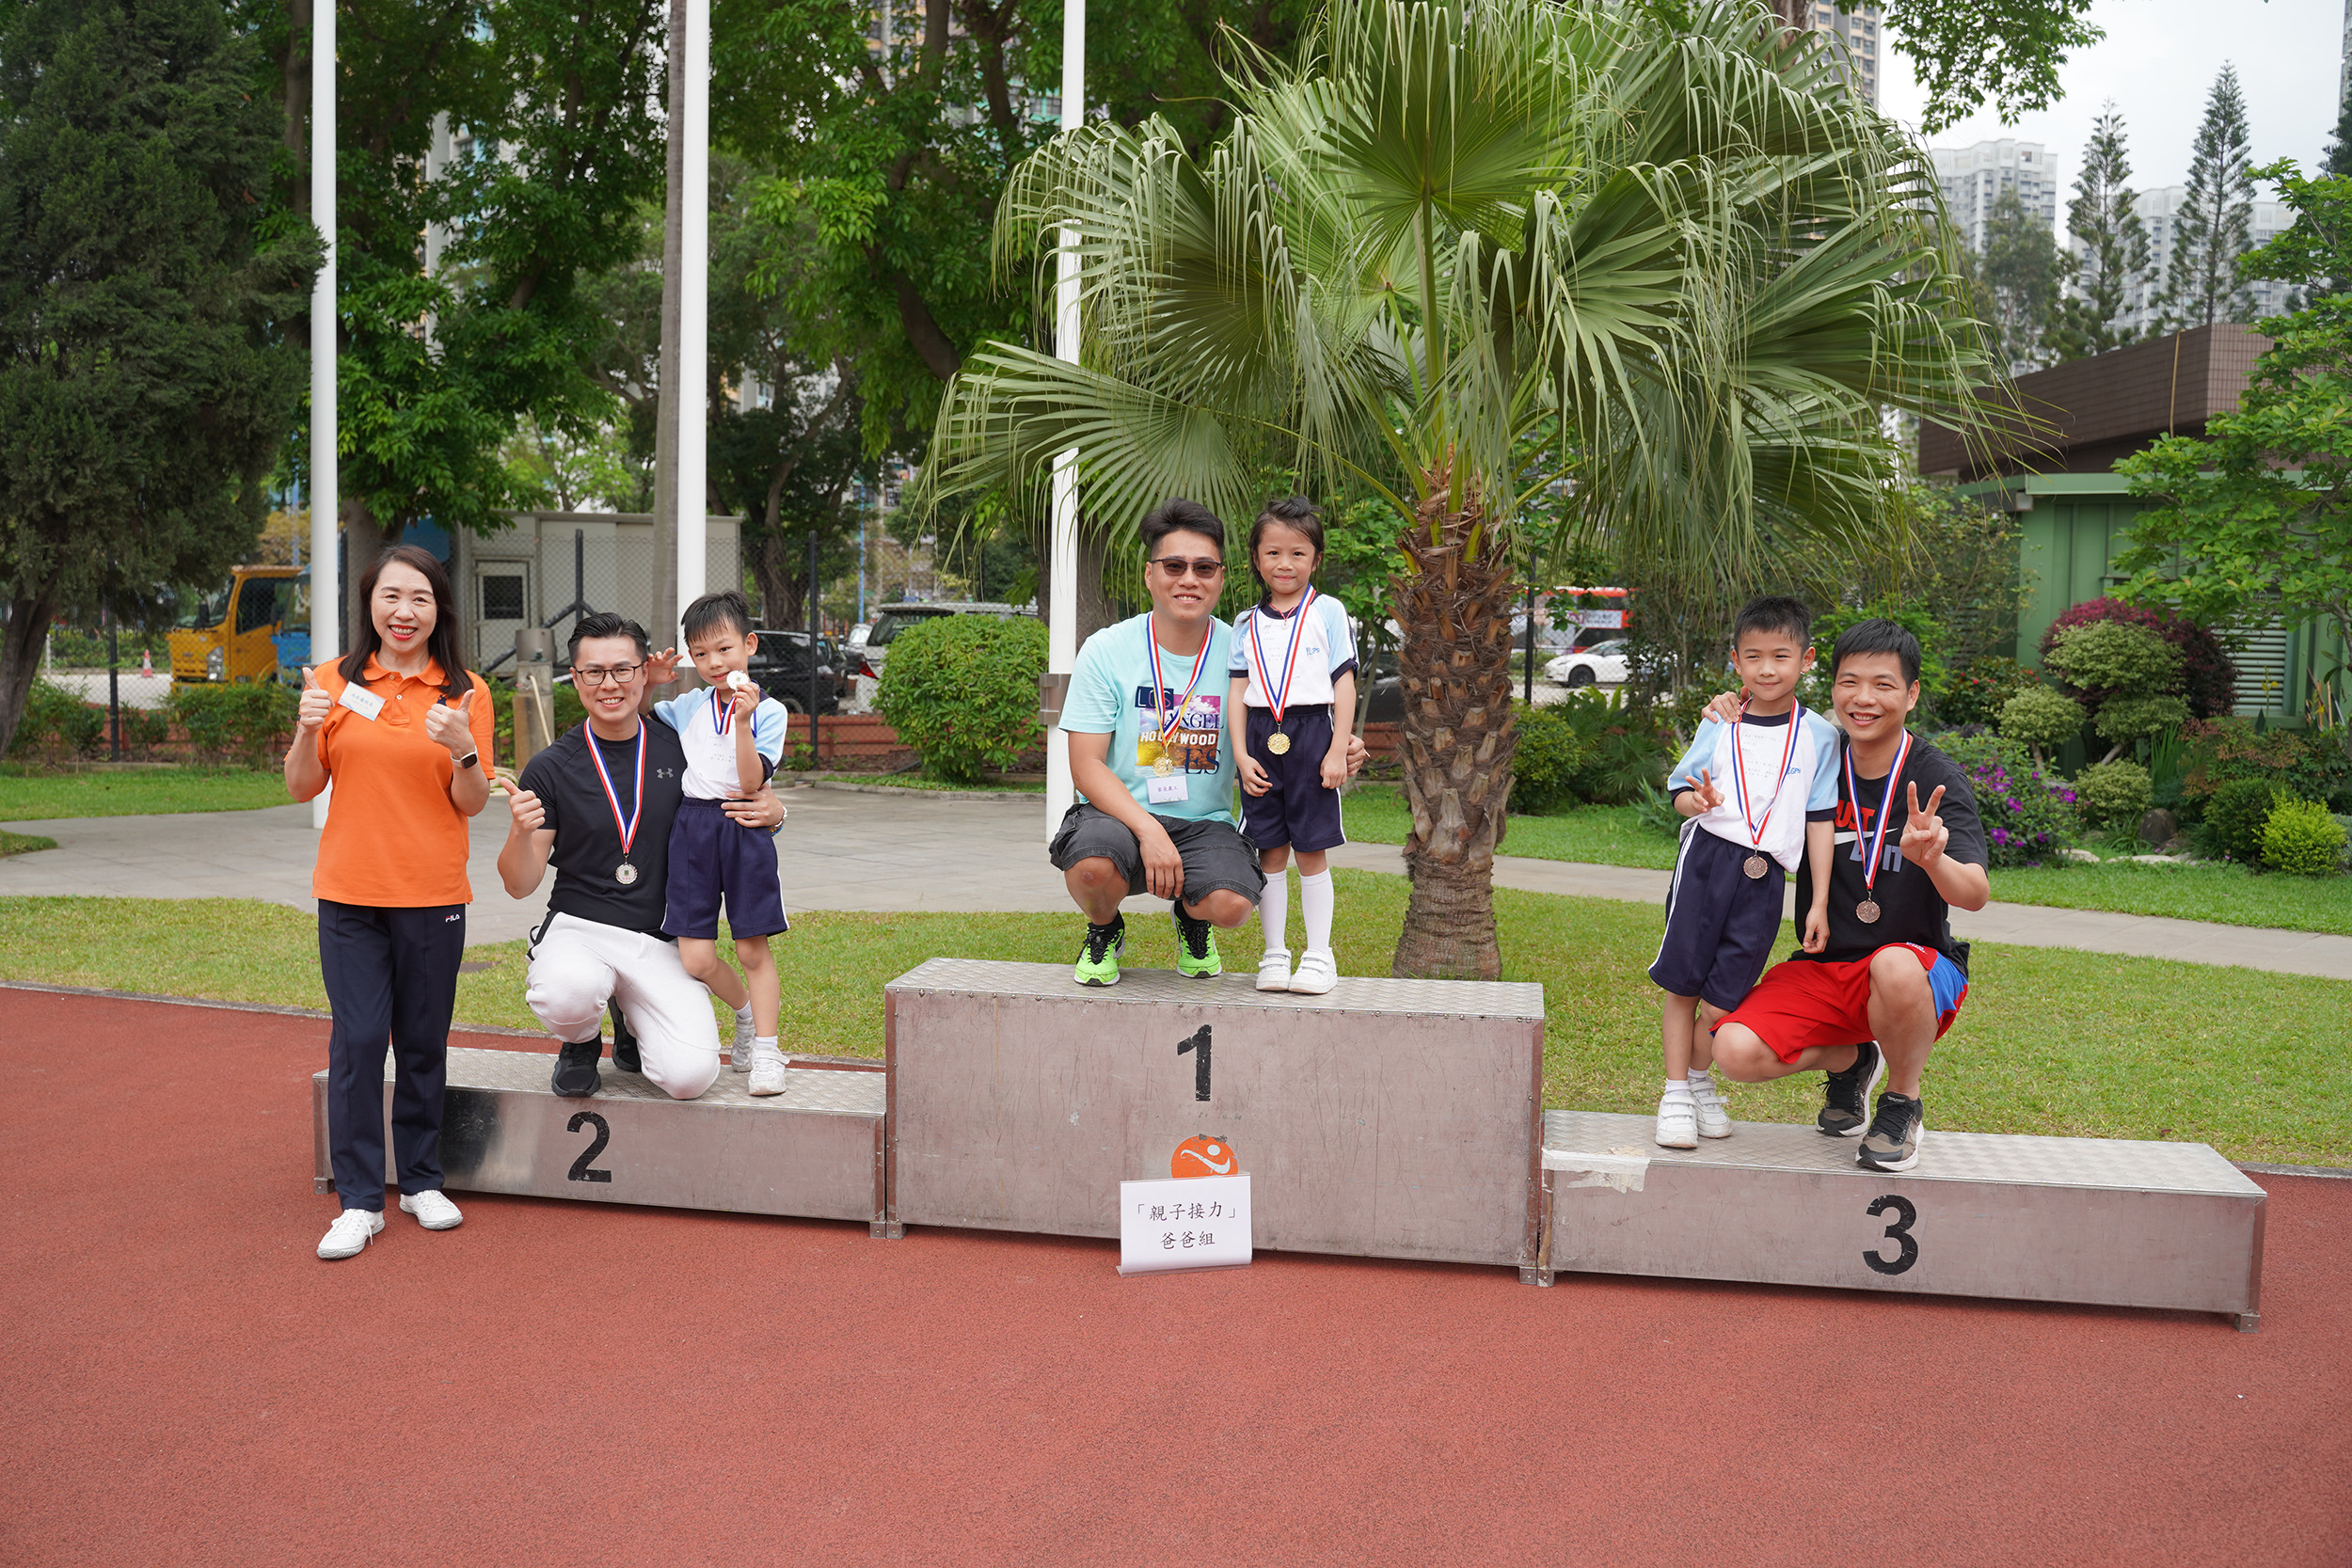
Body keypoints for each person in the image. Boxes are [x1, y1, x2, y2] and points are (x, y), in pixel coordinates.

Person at [1708, 619, 1992, 1172]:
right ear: (1833, 685)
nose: (1863, 699)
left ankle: (1901, 1103)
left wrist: (1933, 859)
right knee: (1734, 1052)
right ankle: (1853, 1059)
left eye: (1884, 685)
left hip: (1915, 970)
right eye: (1849, 682)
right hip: (1825, 965)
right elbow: (1748, 750)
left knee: (1894, 965)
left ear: (1911, 693)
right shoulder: (1812, 756)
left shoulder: (1933, 774)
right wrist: (1728, 711)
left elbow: (1975, 894)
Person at [1051, 498, 1369, 987]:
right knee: (1092, 866)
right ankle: (1104, 928)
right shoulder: (1106, 649)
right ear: (1149, 574)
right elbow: (1086, 766)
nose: (1189, 579)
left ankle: (1192, 919)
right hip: (1118, 818)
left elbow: (1292, 710)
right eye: (1173, 566)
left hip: (1205, 824)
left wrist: (1338, 744)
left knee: (1233, 904)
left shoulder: (1247, 644)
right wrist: (1150, 832)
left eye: (1204, 568)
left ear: (1221, 577)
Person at [284, 545, 496, 1261]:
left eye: (420, 598)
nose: (405, 612)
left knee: (423, 1041)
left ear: (440, 609)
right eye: (391, 596)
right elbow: (301, 785)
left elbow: (472, 800)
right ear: (369, 603)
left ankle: (422, 1180)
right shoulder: (332, 681)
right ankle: (359, 1200)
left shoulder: (465, 691)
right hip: (350, 894)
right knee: (359, 1040)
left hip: (433, 893)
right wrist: (307, 727)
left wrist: (464, 748)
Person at [497, 612, 788, 1101]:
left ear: (642, 672)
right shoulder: (551, 767)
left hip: (660, 938)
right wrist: (519, 831)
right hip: (581, 928)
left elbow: (735, 785)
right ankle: (581, 1041)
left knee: (690, 1077)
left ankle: (630, 1019)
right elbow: (519, 884)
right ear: (576, 677)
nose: (609, 684)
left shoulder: (681, 744)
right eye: (594, 672)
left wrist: (775, 813)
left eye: (623, 669)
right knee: (566, 991)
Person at [1647, 595, 1840, 1148]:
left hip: (1765, 877)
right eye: (1753, 656)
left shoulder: (1820, 737)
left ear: (1806, 660)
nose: (1767, 668)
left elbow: (1820, 820)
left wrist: (1818, 901)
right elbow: (1680, 793)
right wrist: (1699, 802)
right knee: (1684, 982)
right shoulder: (1721, 720)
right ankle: (1676, 1093)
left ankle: (1700, 1080)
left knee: (1725, 997)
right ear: (1736, 660)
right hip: (1707, 860)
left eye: (1781, 656)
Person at [643, 590, 793, 1095]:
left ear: (749, 644)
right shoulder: (688, 705)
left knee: (752, 950)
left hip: (743, 827)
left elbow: (751, 783)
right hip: (692, 828)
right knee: (696, 959)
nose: (714, 662)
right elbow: (638, 718)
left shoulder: (771, 712)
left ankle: (768, 1054)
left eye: (724, 649)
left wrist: (744, 721)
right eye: (701, 653)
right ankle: (745, 1016)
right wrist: (650, 682)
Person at [1226, 497, 1359, 996]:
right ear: (1257, 559)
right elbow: (1238, 691)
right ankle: (1275, 954)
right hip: (1261, 735)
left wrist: (1336, 748)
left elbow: (1344, 684)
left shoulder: (1328, 611)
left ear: (1316, 559)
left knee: (1310, 850)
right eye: (1274, 553)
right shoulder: (1245, 622)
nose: (1286, 564)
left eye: (1298, 553)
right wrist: (1241, 755)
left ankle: (1319, 956)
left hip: (1311, 732)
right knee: (1270, 851)